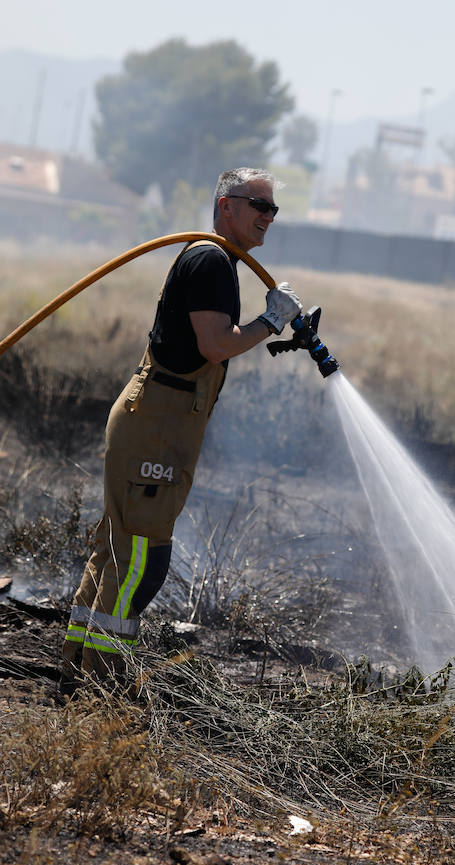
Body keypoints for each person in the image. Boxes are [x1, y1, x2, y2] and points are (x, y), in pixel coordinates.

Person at [60, 167, 302, 696]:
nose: (267, 216)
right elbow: (217, 345)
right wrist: (271, 322)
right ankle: (102, 686)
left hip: (154, 421)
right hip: (157, 427)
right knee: (143, 559)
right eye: (257, 204)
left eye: (273, 209)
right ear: (225, 206)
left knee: (117, 549)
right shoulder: (213, 260)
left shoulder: (215, 260)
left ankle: (77, 668)